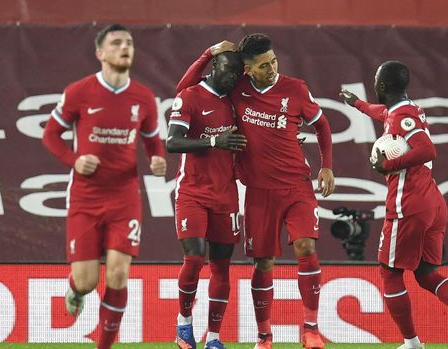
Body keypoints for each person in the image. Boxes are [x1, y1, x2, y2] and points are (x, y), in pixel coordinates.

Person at [177, 34, 335, 349]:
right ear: (247, 70)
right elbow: (185, 89)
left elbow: (322, 125)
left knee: (305, 246)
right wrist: (209, 52)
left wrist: (326, 166)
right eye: (264, 65)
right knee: (263, 264)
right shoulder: (236, 91)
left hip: (297, 186)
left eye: (274, 61)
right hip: (259, 192)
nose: (272, 69)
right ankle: (264, 336)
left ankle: (311, 329)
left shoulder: (296, 88)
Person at [340, 61, 448, 349]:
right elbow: (383, 113)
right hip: (432, 201)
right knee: (426, 274)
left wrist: (388, 164)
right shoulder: (403, 110)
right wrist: (357, 104)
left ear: (383, 87)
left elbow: (427, 149)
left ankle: (412, 344)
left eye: (376, 83)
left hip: (408, 204)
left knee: (389, 273)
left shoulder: (403, 117)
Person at [42, 24, 167, 349]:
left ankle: (104, 346)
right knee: (86, 281)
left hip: (125, 197)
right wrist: (75, 160)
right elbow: (50, 135)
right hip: (85, 196)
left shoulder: (144, 97)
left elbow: (153, 141)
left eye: (129, 42)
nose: (125, 47)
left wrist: (157, 160)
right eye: (116, 43)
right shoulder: (78, 92)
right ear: (100, 53)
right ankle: (75, 290)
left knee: (118, 275)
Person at [167, 50, 246, 349]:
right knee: (195, 256)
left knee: (222, 266)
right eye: (227, 71)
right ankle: (184, 325)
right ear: (215, 66)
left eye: (237, 74)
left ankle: (214, 337)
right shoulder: (189, 96)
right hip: (193, 191)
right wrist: (214, 140)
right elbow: (172, 142)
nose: (232, 78)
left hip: (226, 193)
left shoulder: (236, 98)